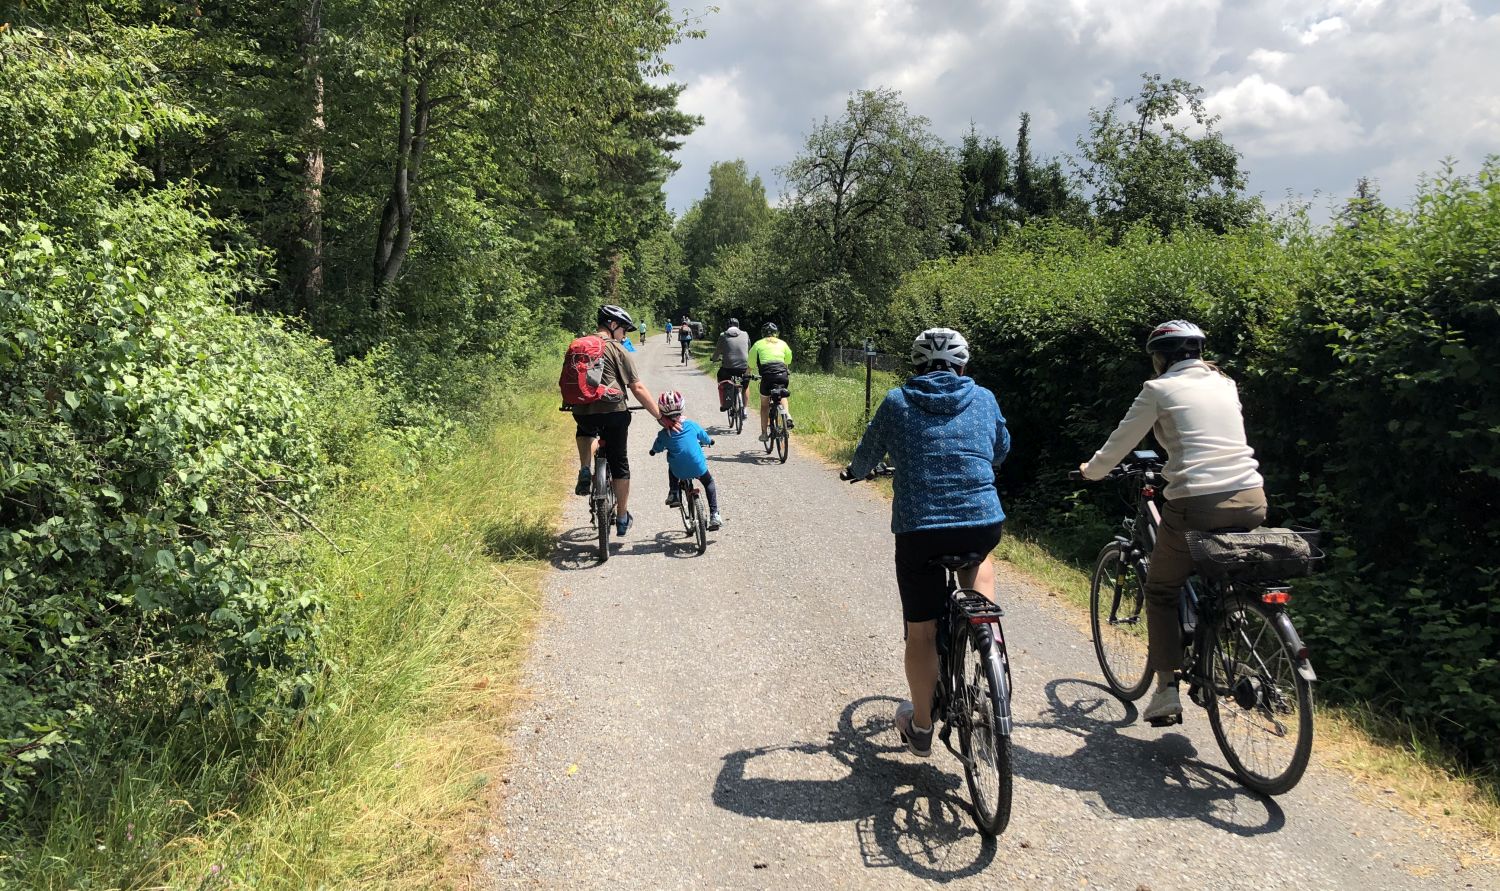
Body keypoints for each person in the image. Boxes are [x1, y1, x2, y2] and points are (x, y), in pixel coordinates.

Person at [1078, 320, 1267, 725]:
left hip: (1196, 502)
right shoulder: (1226, 384)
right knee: (1219, 571)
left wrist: (1092, 471)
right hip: (1252, 497)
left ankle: (1165, 691)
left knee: (1162, 589)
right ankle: (1226, 621)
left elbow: (1121, 440)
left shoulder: (1158, 389)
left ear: (1161, 357)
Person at [843, 327, 1010, 757]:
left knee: (921, 633)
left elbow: (866, 455)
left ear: (916, 366)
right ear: (962, 365)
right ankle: (985, 633)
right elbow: (1001, 450)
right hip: (980, 523)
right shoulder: (985, 398)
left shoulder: (897, 401)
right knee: (981, 558)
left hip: (920, 530)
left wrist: (855, 471)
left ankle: (921, 729)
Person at [572, 304, 675, 538]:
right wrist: (660, 416)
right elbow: (636, 387)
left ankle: (586, 469)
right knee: (619, 463)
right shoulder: (618, 350)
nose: (625, 335)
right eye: (624, 330)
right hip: (614, 412)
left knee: (586, 431)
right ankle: (621, 517)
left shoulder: (579, 346)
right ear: (613, 325)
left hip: (582, 410)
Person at [649, 390, 723, 530]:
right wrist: (710, 441)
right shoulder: (692, 425)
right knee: (709, 482)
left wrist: (653, 451)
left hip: (679, 471)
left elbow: (657, 447)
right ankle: (714, 514)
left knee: (672, 463)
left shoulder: (664, 433)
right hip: (697, 467)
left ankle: (674, 492)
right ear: (682, 407)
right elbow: (704, 437)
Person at [748, 322, 794, 444]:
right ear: (776, 333)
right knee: (782, 394)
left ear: (763, 333)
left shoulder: (758, 344)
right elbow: (788, 359)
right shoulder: (783, 343)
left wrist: (747, 373)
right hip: (782, 375)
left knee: (764, 405)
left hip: (767, 377)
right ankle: (787, 415)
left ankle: (764, 433)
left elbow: (751, 363)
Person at [711, 317, 751, 416]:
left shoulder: (723, 335)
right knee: (745, 386)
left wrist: (714, 358)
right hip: (743, 367)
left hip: (727, 368)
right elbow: (749, 348)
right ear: (738, 326)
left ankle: (725, 402)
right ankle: (745, 409)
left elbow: (717, 351)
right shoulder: (745, 334)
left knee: (721, 379)